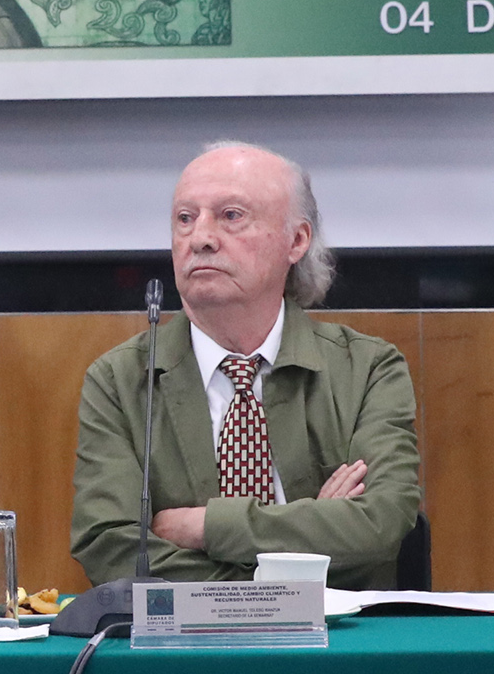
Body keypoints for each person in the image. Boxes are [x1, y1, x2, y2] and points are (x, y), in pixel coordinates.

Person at [70, 142, 420, 587]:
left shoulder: (367, 369)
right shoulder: (119, 380)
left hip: (338, 630)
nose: (200, 238)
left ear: (297, 240)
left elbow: (379, 525)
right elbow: (109, 547)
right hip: (185, 634)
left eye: (231, 215)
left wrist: (206, 527)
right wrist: (289, 565)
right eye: (185, 218)